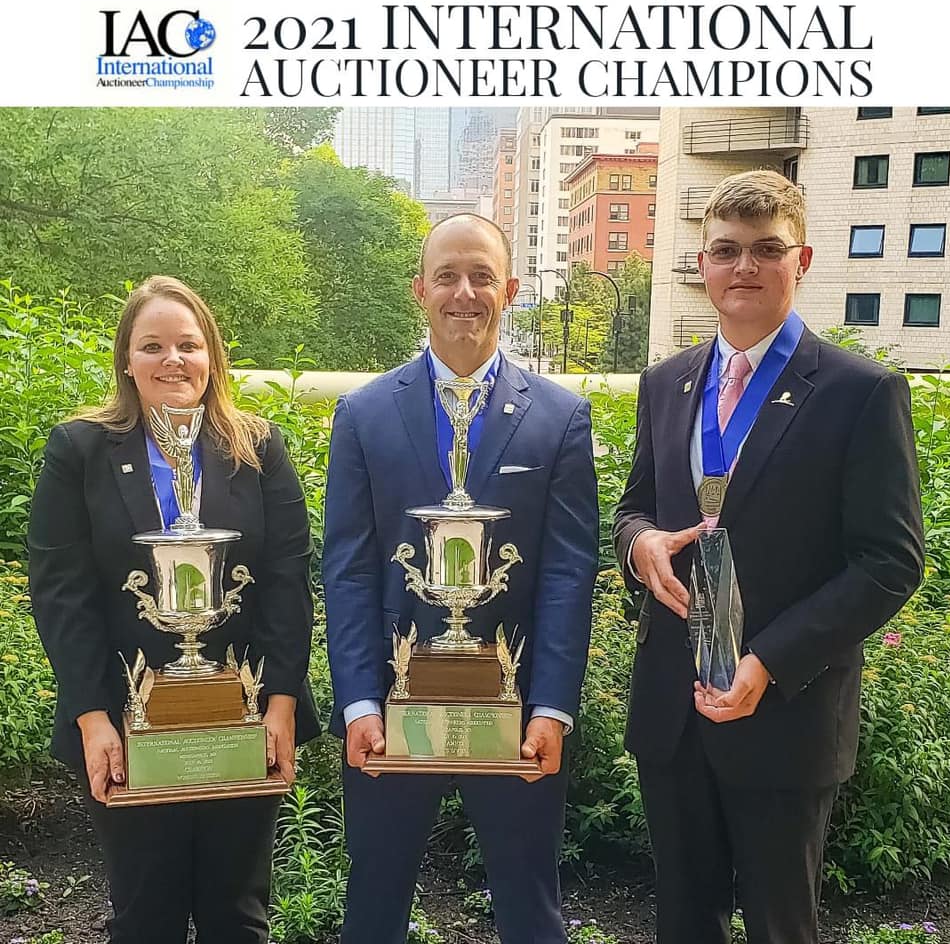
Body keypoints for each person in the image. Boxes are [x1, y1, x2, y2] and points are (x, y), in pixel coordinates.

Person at [613, 171, 924, 944]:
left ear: (803, 259)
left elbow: (891, 560)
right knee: (684, 921)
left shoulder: (859, 391)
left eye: (765, 250)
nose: (743, 267)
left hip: (784, 710)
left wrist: (769, 663)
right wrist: (640, 544)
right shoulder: (667, 384)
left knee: (782, 926)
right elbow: (633, 508)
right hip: (673, 707)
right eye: (725, 250)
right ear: (702, 266)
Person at [323, 214, 598, 944]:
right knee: (374, 902)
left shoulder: (562, 417)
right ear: (421, 289)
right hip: (392, 706)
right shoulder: (363, 414)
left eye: (481, 276)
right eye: (446, 275)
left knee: (530, 902)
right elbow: (347, 569)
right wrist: (357, 702)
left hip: (515, 709)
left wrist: (552, 708)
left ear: (508, 290)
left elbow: (570, 573)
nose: (464, 292)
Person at [28, 275, 321, 944]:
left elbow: (286, 582)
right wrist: (92, 719)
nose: (172, 361)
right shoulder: (77, 450)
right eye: (152, 345)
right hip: (126, 727)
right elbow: (61, 592)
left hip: (242, 717)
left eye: (188, 345)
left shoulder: (257, 447)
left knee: (238, 916)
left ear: (211, 355)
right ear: (126, 360)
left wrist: (278, 705)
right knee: (144, 915)